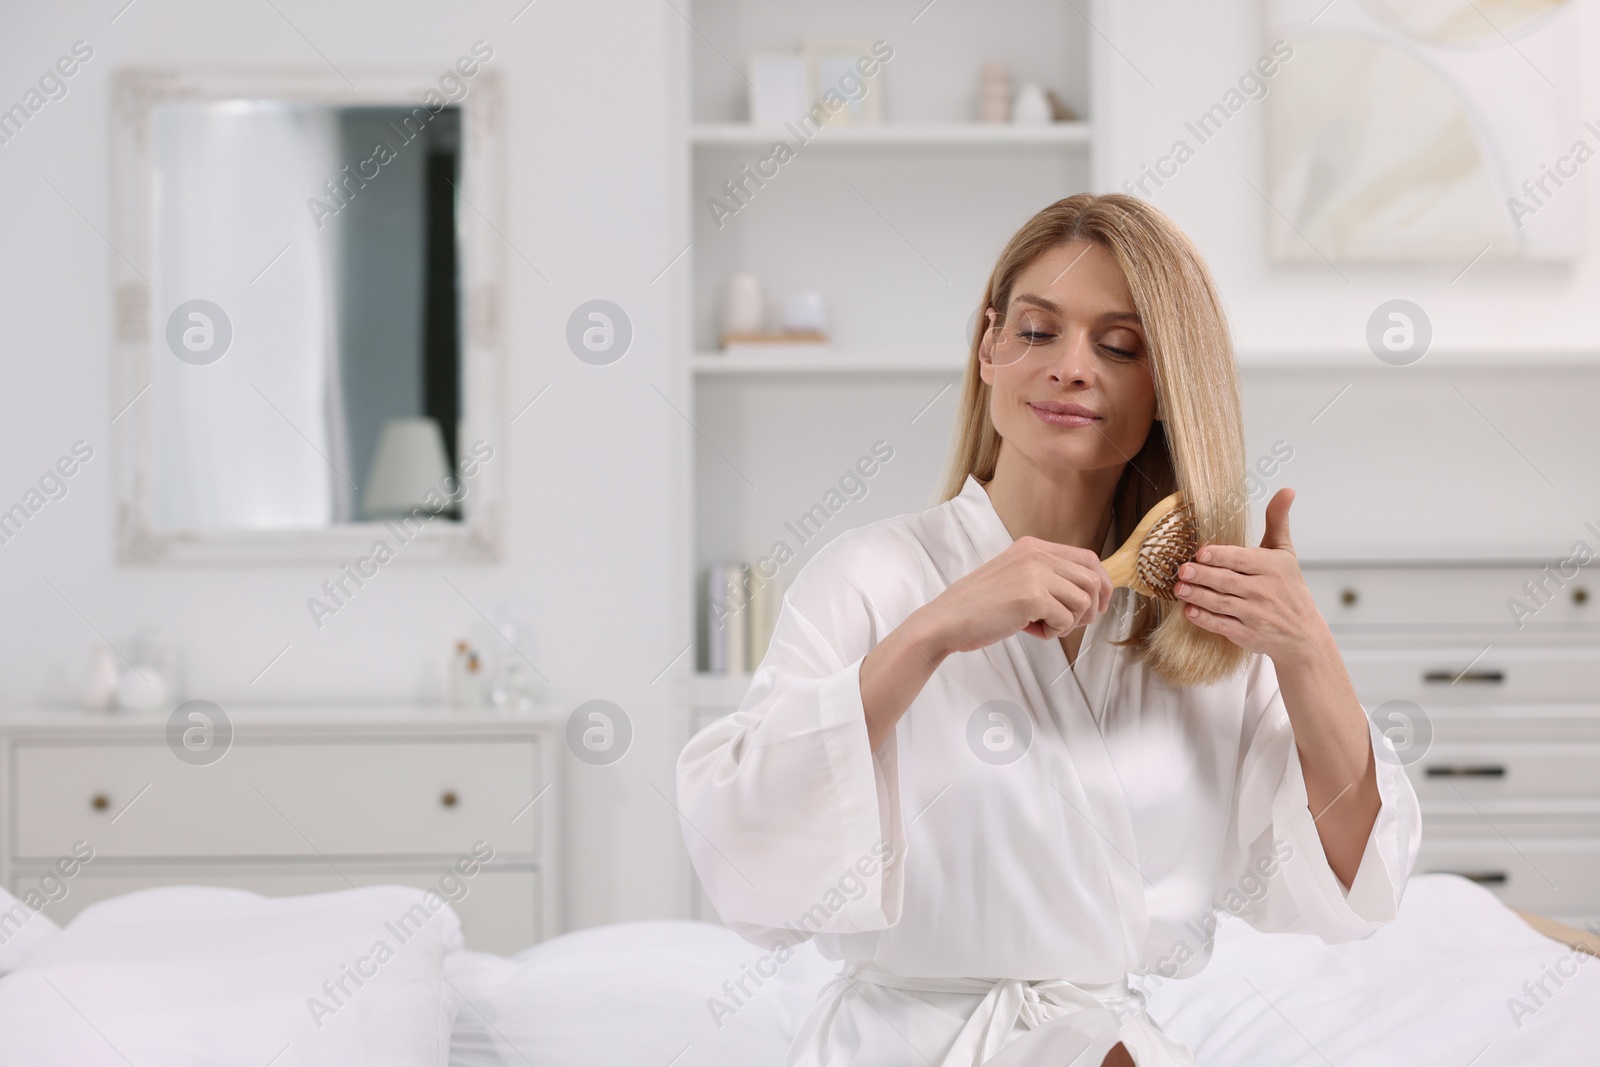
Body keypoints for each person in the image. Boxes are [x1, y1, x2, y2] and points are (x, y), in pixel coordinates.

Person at [675, 193, 1422, 1066]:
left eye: (1119, 345)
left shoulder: (1196, 619)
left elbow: (1356, 877)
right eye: (1037, 332)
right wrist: (933, 631)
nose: (1071, 367)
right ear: (988, 346)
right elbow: (744, 849)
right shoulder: (870, 578)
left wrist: (1307, 653)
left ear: (1167, 386)